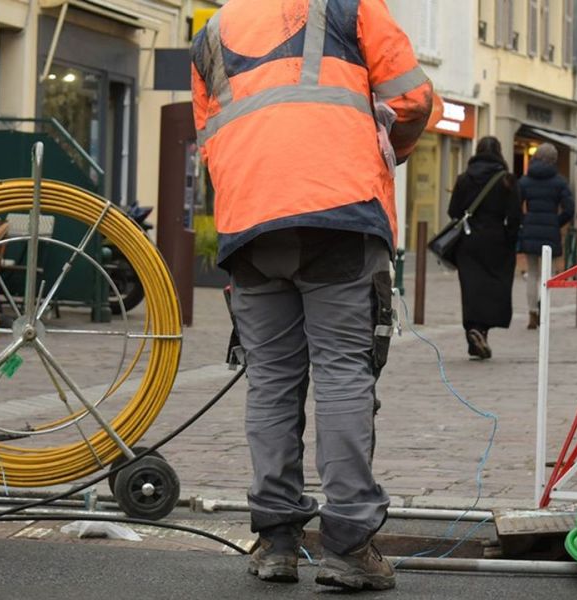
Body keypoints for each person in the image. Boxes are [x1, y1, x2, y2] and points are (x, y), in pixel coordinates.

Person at [190, 0, 433, 591]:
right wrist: (391, 149)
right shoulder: (351, 6)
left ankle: (276, 541)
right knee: (343, 372)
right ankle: (348, 545)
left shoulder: (213, 31)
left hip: (250, 222)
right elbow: (413, 100)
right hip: (340, 211)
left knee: (271, 380)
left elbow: (210, 134)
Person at [447, 137, 522, 359]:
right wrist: (510, 239)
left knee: (471, 288)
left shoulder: (464, 179)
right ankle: (481, 332)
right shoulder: (507, 180)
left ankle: (473, 332)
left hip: (468, 241)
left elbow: (453, 211)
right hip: (497, 241)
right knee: (494, 288)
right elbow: (515, 215)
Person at [517, 143, 574, 330]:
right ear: (554, 160)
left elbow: (514, 205)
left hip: (530, 230)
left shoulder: (525, 180)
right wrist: (556, 222)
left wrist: (525, 221)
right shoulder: (559, 182)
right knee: (547, 274)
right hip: (550, 231)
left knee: (532, 273)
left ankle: (532, 312)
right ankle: (543, 308)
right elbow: (569, 209)